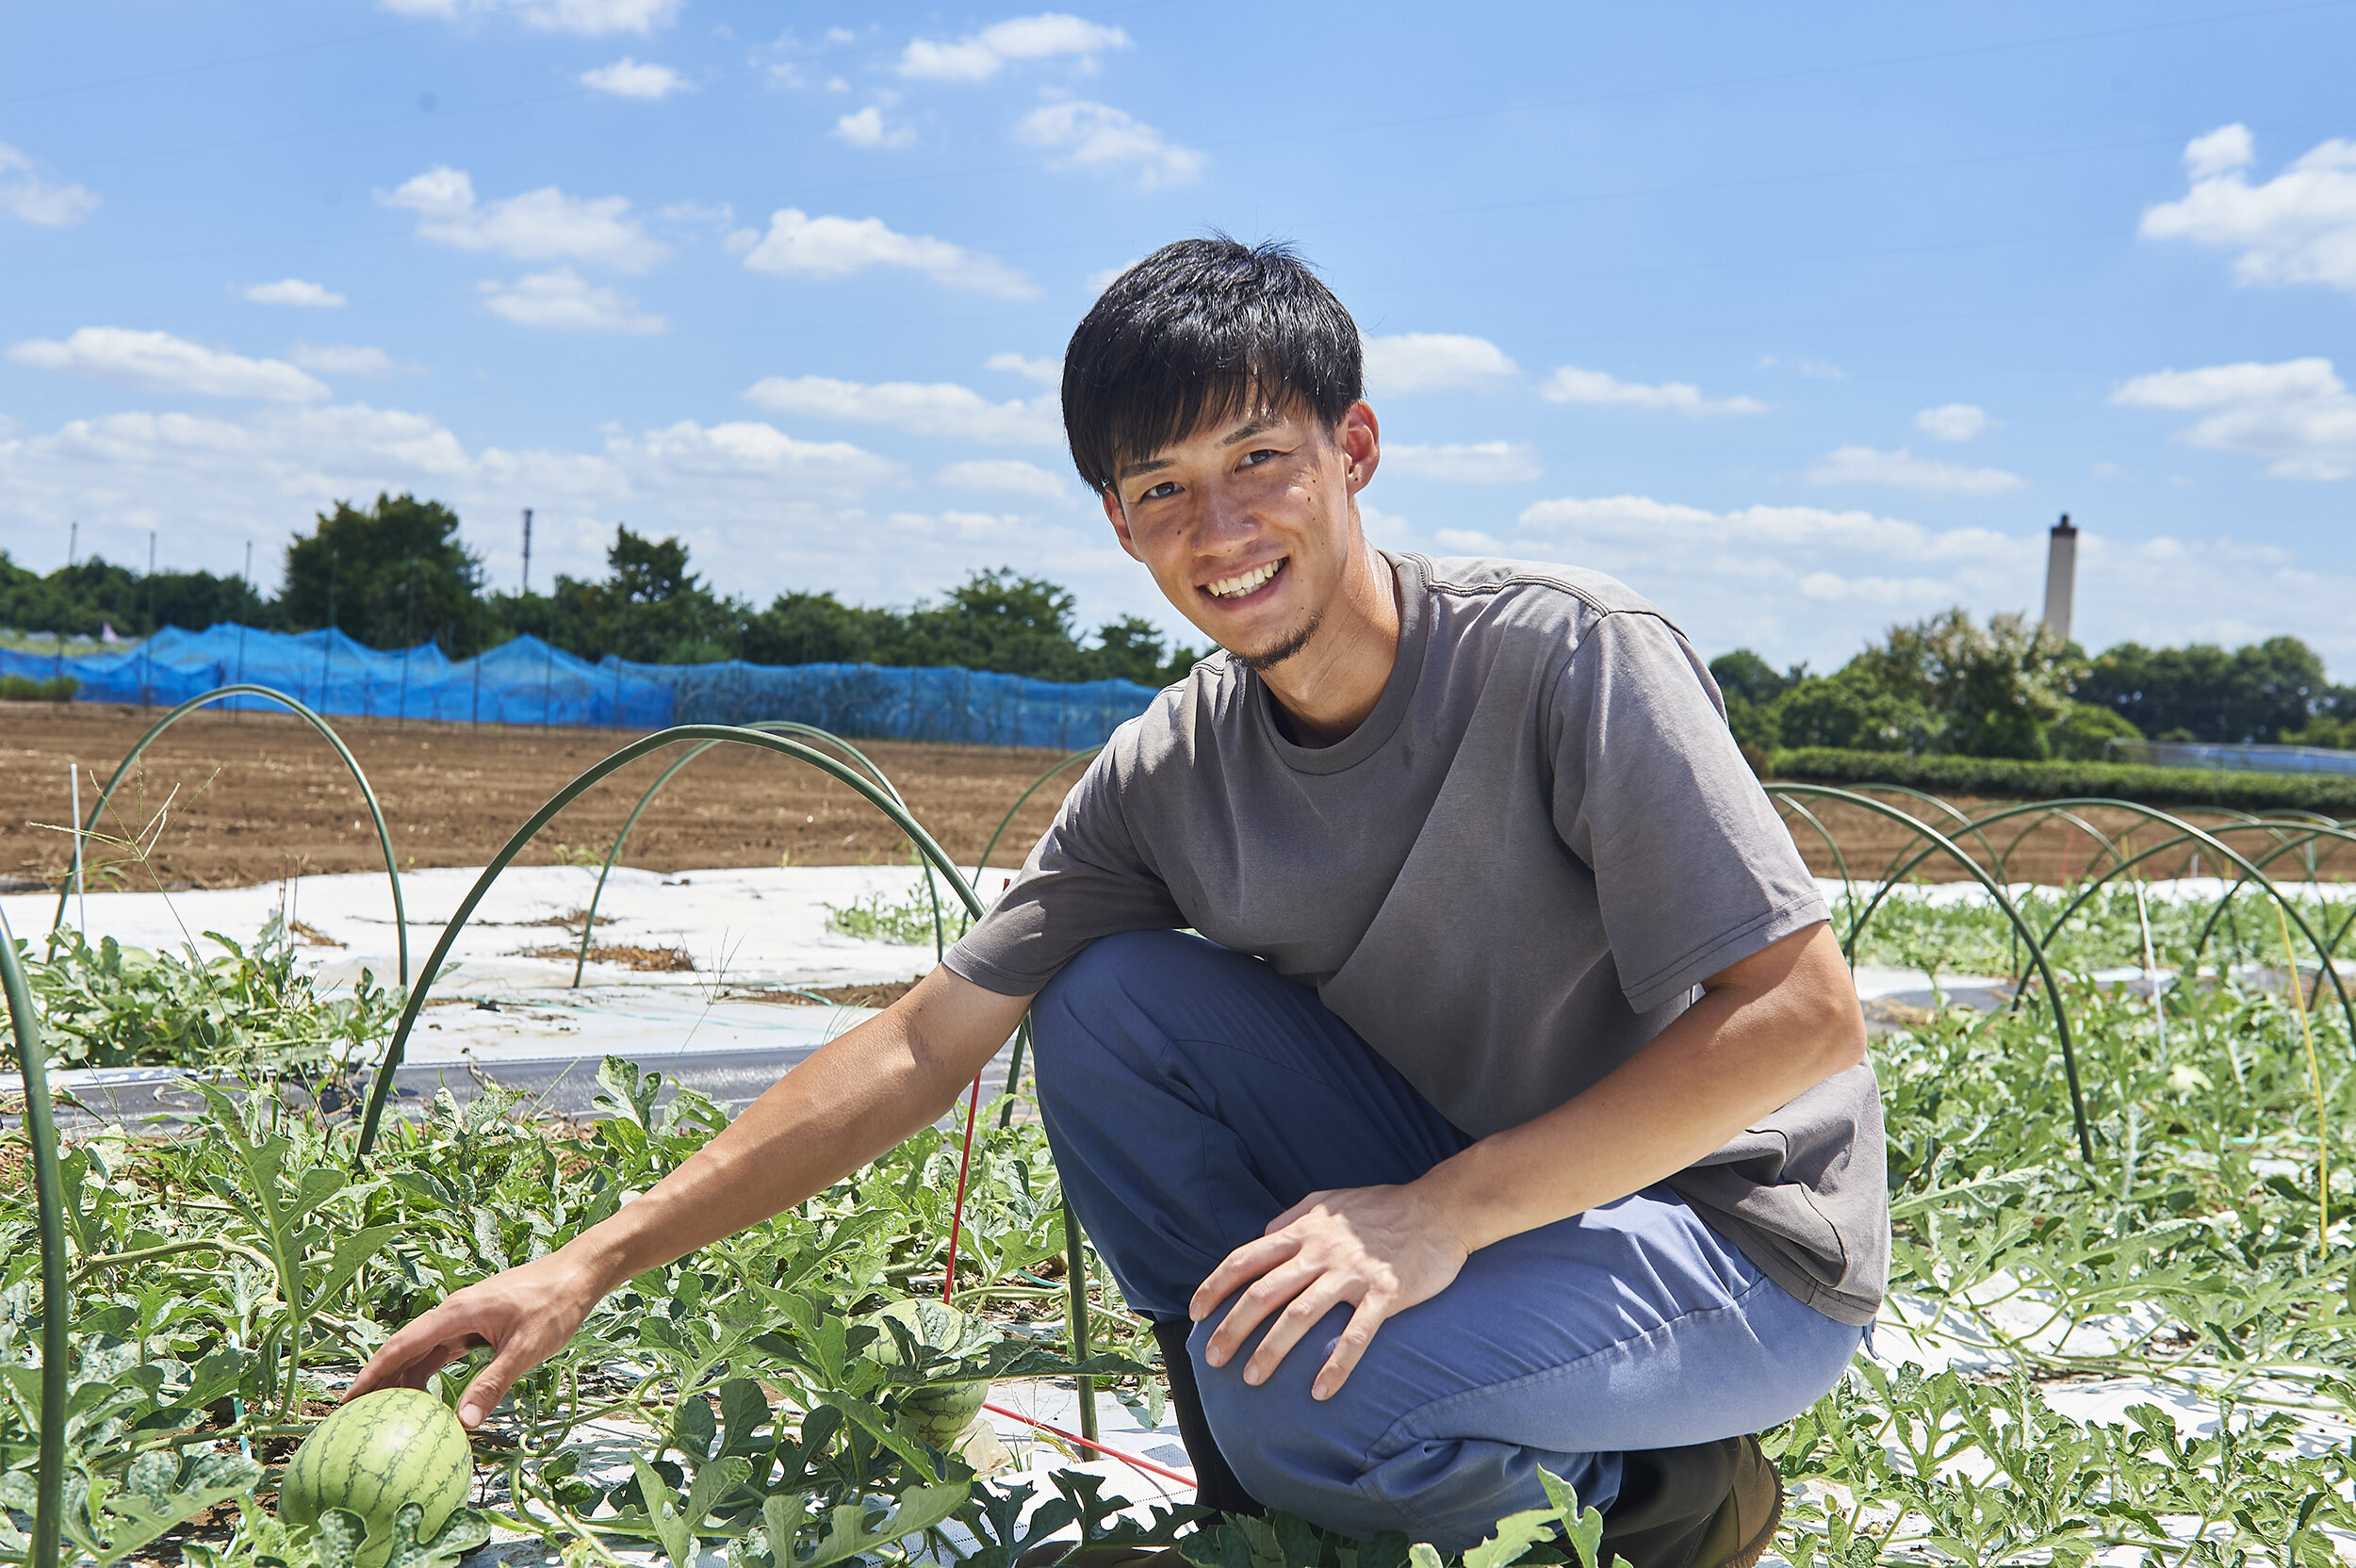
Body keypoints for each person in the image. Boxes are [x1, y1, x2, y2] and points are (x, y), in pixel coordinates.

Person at [350, 237, 1887, 1568]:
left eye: (1258, 460)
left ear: (1354, 447)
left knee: (1312, 1401)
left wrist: (1444, 1214)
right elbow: (922, 1044)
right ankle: (1260, 1483)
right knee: (1105, 998)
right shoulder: (1172, 768)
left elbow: (1804, 1019)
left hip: (1730, 1239)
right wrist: (588, 1261)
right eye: (1164, 488)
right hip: (1473, 1174)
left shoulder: (1565, 655)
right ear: (1118, 521)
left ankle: (1661, 1503)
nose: (1220, 531)